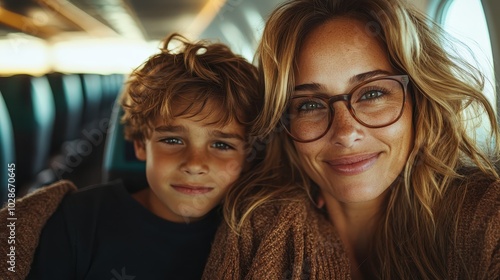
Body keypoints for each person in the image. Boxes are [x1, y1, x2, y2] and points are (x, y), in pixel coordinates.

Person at [203, 0, 500, 279]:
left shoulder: (487, 218)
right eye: (309, 105)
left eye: (372, 94)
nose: (345, 133)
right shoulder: (253, 228)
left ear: (419, 102)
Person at [0, 33, 261, 279]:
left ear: (247, 156)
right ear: (139, 144)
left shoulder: (257, 239)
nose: (194, 164)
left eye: (222, 145)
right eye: (172, 140)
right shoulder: (77, 222)